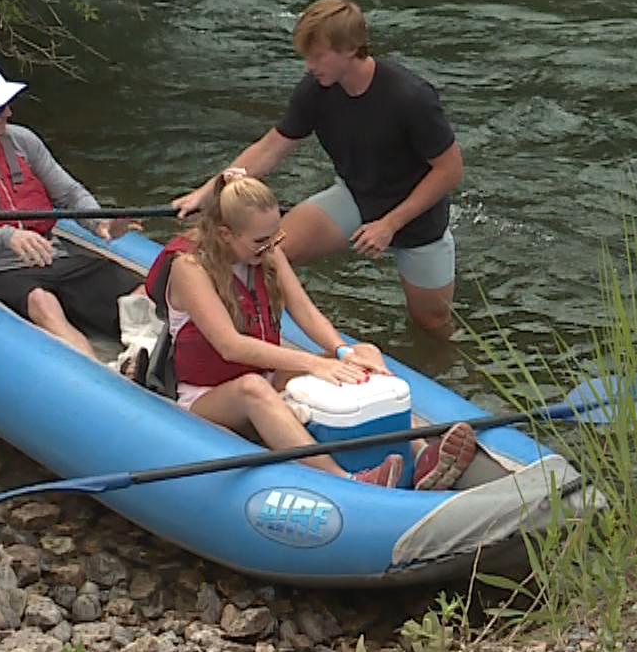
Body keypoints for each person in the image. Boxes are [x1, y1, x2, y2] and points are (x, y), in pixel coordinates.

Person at [150, 170, 477, 490]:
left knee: (366, 353)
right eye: (261, 241)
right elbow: (230, 346)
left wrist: (343, 352)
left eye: (275, 236)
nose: (272, 247)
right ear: (225, 235)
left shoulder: (267, 254)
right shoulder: (189, 268)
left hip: (267, 376)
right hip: (208, 397)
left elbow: (306, 312)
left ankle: (418, 453)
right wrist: (315, 363)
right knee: (253, 388)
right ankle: (342, 479)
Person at [172, 0, 464, 335]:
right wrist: (207, 192)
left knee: (431, 323)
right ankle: (240, 330)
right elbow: (270, 148)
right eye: (306, 55)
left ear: (350, 48)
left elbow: (450, 171)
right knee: (266, 252)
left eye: (317, 55)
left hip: (417, 220)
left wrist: (389, 224)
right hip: (356, 197)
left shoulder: (410, 97)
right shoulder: (317, 90)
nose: (309, 65)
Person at [0, 58, 142, 359]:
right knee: (42, 302)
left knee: (140, 291)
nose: (7, 112)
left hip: (51, 256)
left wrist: (100, 224)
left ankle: (142, 352)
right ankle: (98, 371)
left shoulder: (21, 140)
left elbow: (69, 193)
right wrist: (4, 237)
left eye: (6, 103)